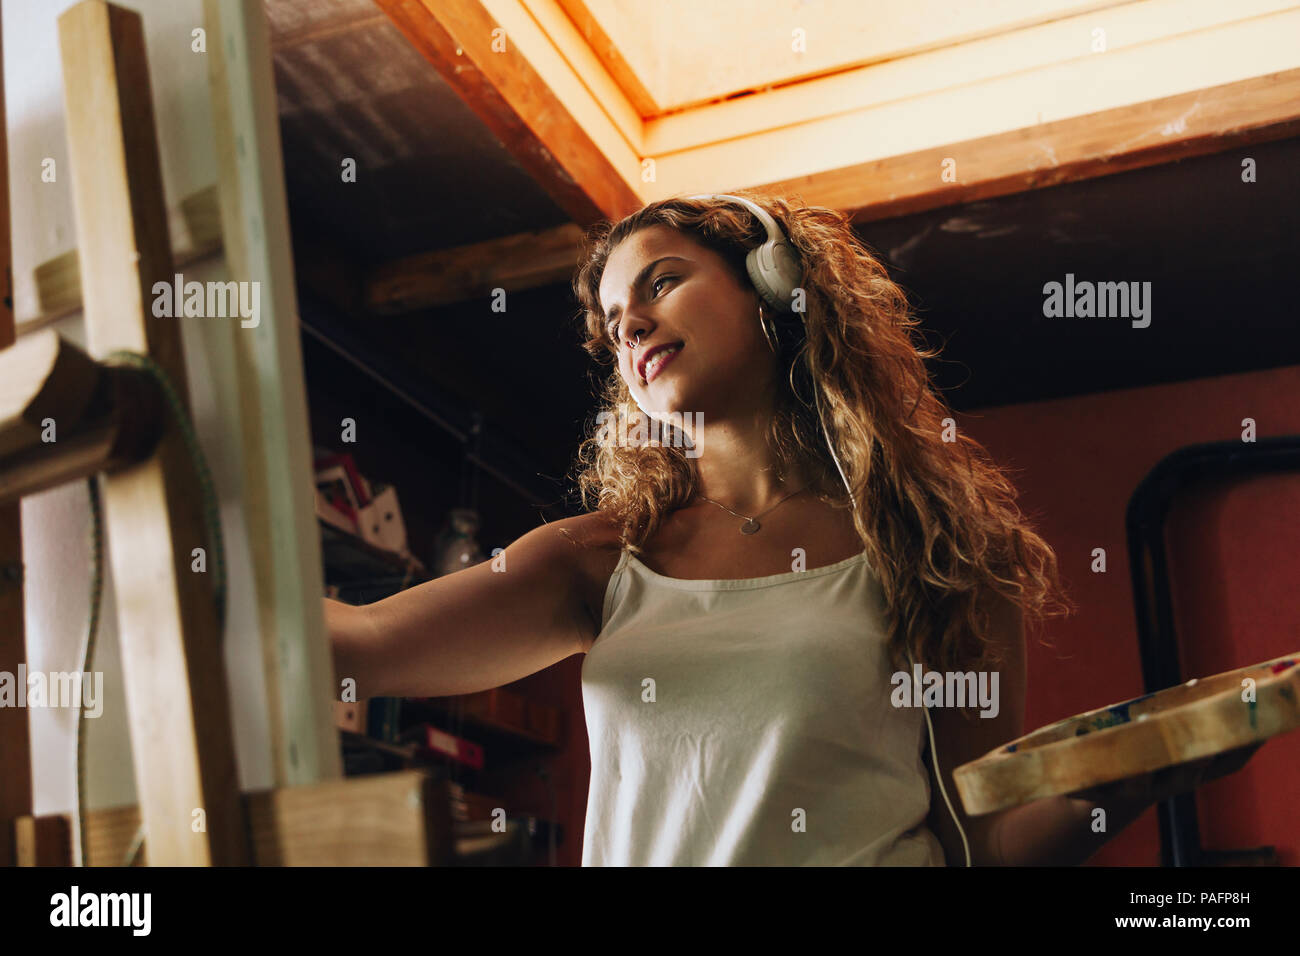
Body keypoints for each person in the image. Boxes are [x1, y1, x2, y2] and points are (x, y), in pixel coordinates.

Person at [326, 193, 1259, 865]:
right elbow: (359, 646)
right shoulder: (601, 560)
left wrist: (1139, 778)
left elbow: (978, 842)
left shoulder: (937, 550)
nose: (633, 324)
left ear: (776, 290)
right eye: (613, 321)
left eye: (662, 282)